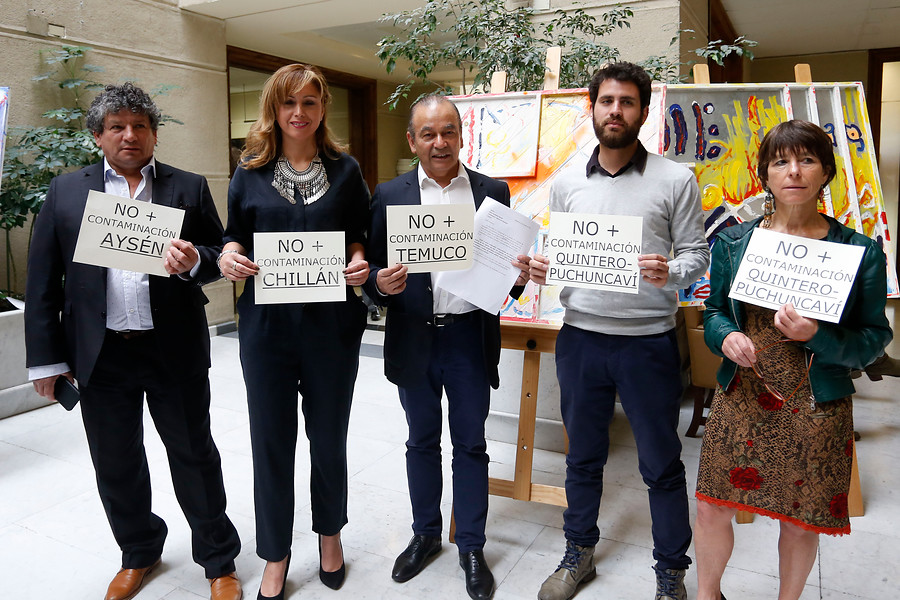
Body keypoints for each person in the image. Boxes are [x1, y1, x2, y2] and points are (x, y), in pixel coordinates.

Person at [24, 83, 242, 600]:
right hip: (101, 355)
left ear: (154, 135)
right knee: (116, 462)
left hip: (173, 349)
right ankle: (139, 551)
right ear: (97, 135)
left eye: (140, 125)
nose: (130, 135)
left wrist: (196, 261)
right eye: (117, 126)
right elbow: (42, 280)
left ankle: (218, 559)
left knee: (194, 456)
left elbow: (219, 252)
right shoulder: (66, 192)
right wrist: (46, 361)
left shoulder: (187, 186)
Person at [528, 62, 710, 600]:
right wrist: (543, 268)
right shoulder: (567, 183)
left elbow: (697, 255)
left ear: (643, 112)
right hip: (581, 339)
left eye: (627, 102)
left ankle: (671, 572)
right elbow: (563, 253)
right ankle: (578, 552)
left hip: (648, 342)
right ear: (593, 108)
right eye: (607, 101)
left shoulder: (675, 179)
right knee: (582, 457)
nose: (616, 111)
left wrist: (669, 271)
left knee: (661, 463)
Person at [694, 120, 892, 600]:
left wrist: (817, 335)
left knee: (801, 520)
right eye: (781, 161)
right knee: (712, 506)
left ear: (826, 172)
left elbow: (873, 339)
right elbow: (714, 311)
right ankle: (707, 595)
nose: (794, 172)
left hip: (815, 404)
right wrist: (726, 336)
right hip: (743, 394)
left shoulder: (859, 251)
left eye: (807, 160)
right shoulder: (735, 242)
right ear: (765, 173)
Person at [365, 94, 529, 600]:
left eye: (448, 132)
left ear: (462, 136)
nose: (440, 143)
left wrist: (519, 278)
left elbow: (504, 273)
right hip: (413, 336)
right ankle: (425, 535)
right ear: (412, 140)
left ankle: (471, 546)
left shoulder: (491, 192)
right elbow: (371, 269)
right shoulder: (389, 195)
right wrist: (378, 284)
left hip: (468, 339)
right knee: (420, 441)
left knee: (471, 444)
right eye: (428, 134)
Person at [221, 63, 370, 599]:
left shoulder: (346, 170)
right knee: (271, 441)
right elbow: (234, 235)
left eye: (309, 102)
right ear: (274, 109)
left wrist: (359, 260)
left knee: (328, 438)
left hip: (332, 327)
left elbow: (359, 235)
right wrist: (230, 257)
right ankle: (275, 553)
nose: (299, 112)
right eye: (289, 102)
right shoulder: (249, 172)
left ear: (322, 107)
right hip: (267, 329)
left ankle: (330, 535)